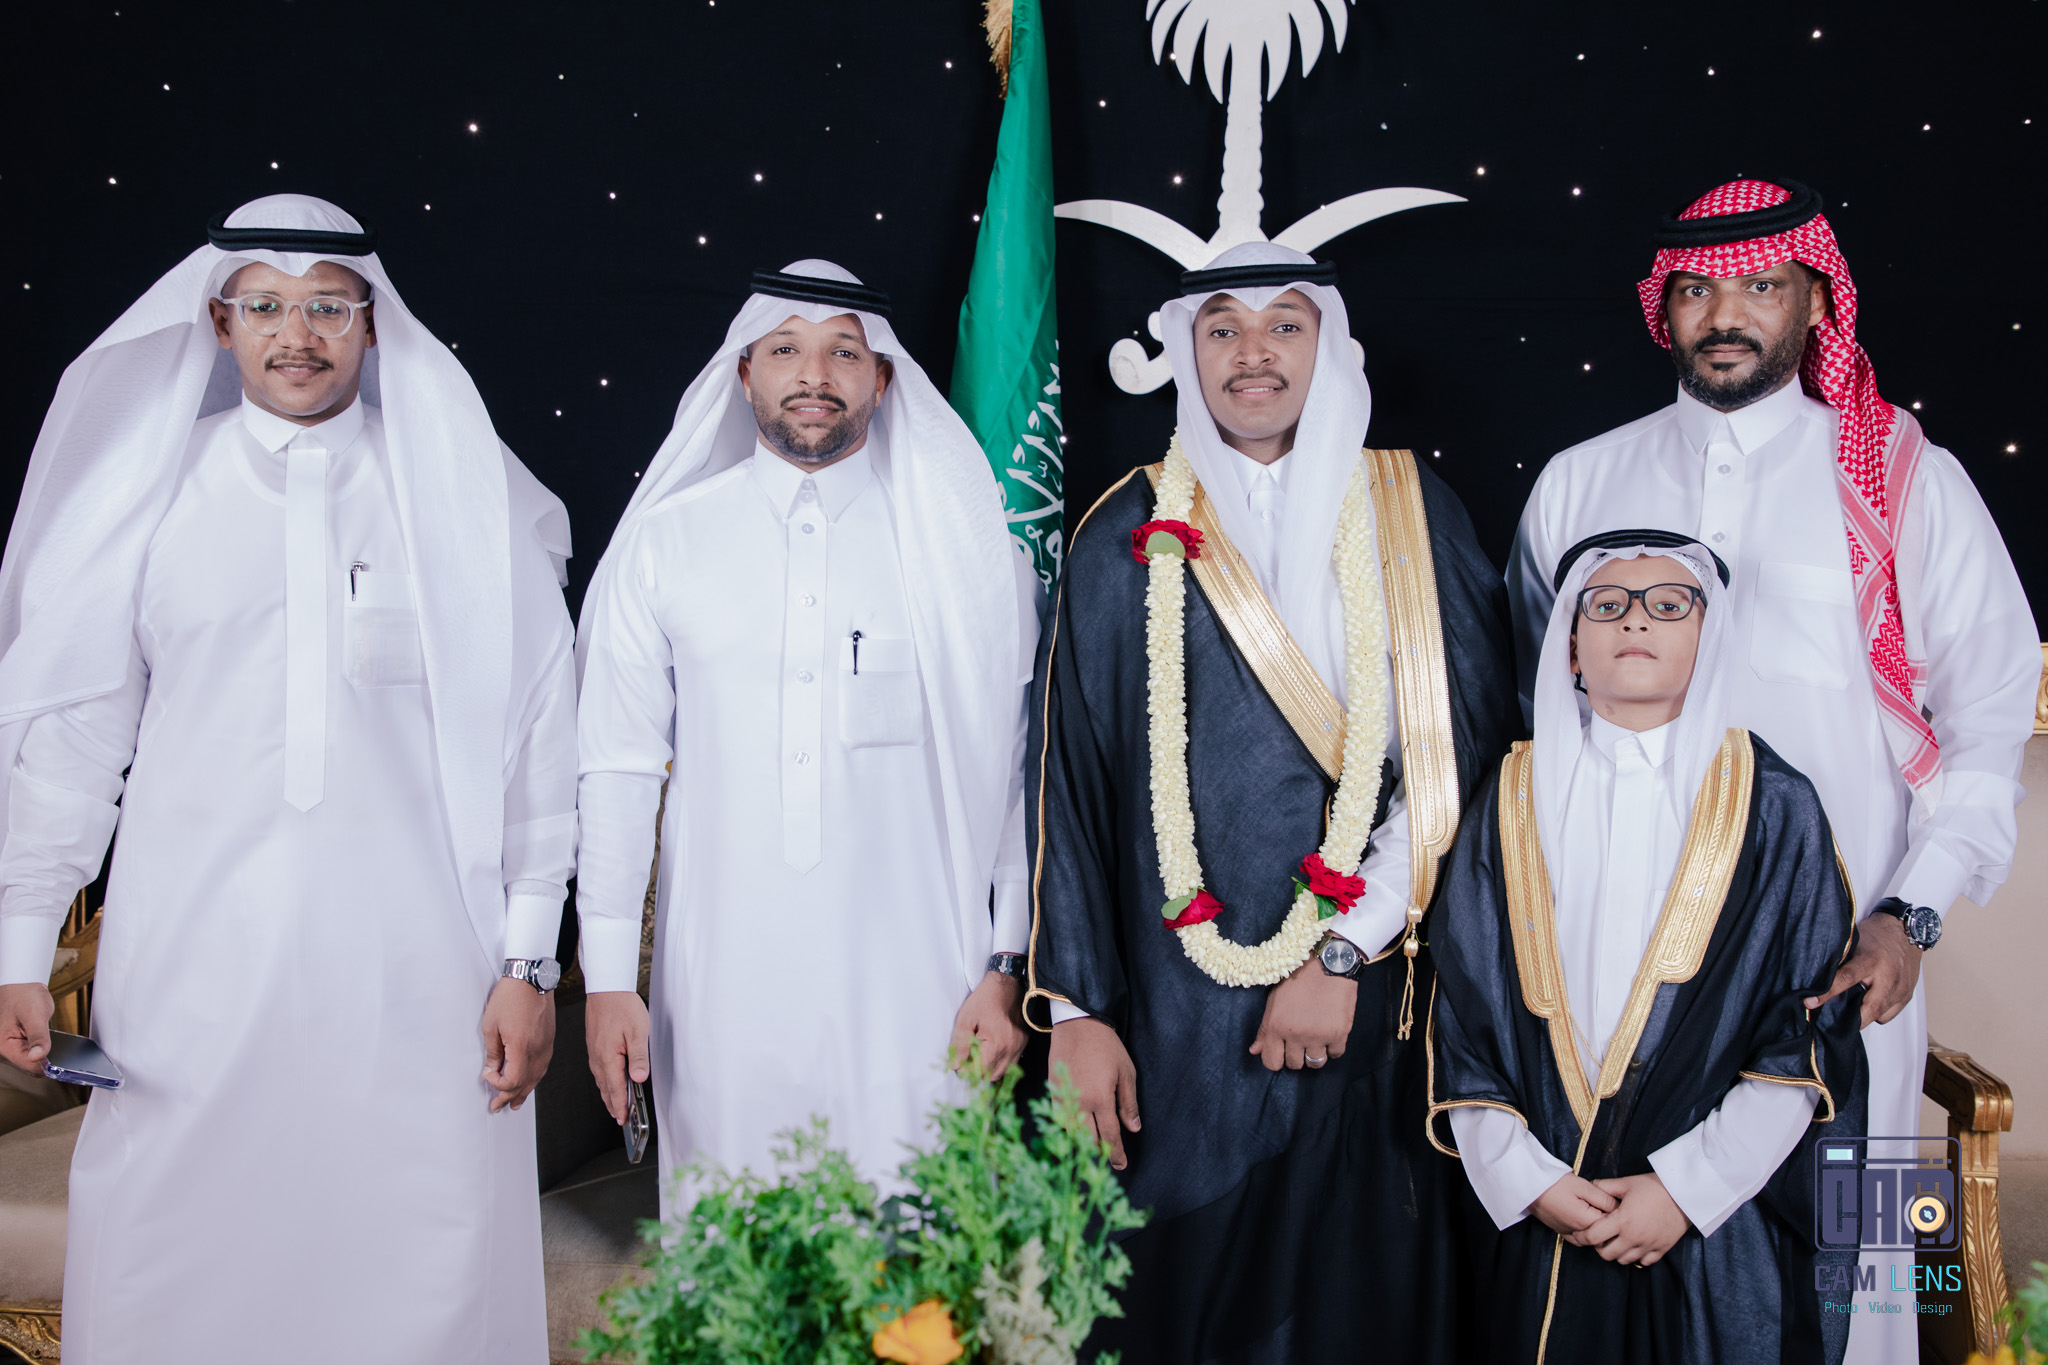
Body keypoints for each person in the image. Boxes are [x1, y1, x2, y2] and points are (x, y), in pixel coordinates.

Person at [0, 195, 577, 1362]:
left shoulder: (463, 496)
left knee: (420, 1267)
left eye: (326, 307)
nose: (296, 334)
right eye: (264, 306)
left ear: (373, 323)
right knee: (181, 1262)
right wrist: (18, 946)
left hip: (422, 980)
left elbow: (534, 741)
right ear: (219, 323)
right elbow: (73, 744)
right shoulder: (150, 493)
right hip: (192, 971)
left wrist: (528, 962)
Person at [1509, 179, 2036, 1357]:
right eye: (1696, 290)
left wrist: (1910, 914)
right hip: (1615, 965)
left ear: (1813, 301)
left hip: (1846, 961)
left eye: (1759, 285)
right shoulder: (1579, 482)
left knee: (1866, 1278)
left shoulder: (1903, 477)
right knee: (1631, 1253)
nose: (1725, 315)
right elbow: (1531, 728)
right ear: (1662, 309)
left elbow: (1987, 713)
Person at [1026, 241, 1519, 1363]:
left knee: (1350, 1301)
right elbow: (1071, 785)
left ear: (1327, 345)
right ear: (1186, 351)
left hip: (1365, 995)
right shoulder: (1123, 528)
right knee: (1175, 1303)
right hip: (1166, 1015)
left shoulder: (1408, 511)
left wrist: (1341, 952)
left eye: (1283, 325)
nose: (1252, 354)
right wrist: (1079, 1012)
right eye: (1222, 330)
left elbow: (1461, 765)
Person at [573, 262, 1039, 1206]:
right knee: (735, 1250)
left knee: (914, 1260)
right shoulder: (666, 542)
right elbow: (616, 767)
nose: (814, 374)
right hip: (719, 991)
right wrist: (610, 978)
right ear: (745, 373)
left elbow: (1009, 775)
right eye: (786, 348)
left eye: (844, 353)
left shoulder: (963, 552)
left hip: (925, 991)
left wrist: (1006, 968)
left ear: (885, 378)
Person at [1431, 533, 1868, 1364]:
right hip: (1543, 1204)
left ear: (1711, 636)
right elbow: (1463, 1006)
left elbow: (1809, 1027)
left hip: (1714, 1217)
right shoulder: (1511, 797)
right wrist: (1527, 1178)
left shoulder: (1777, 806)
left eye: (1669, 604)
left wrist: (1688, 1188)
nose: (1636, 620)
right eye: (1607, 605)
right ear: (1571, 647)